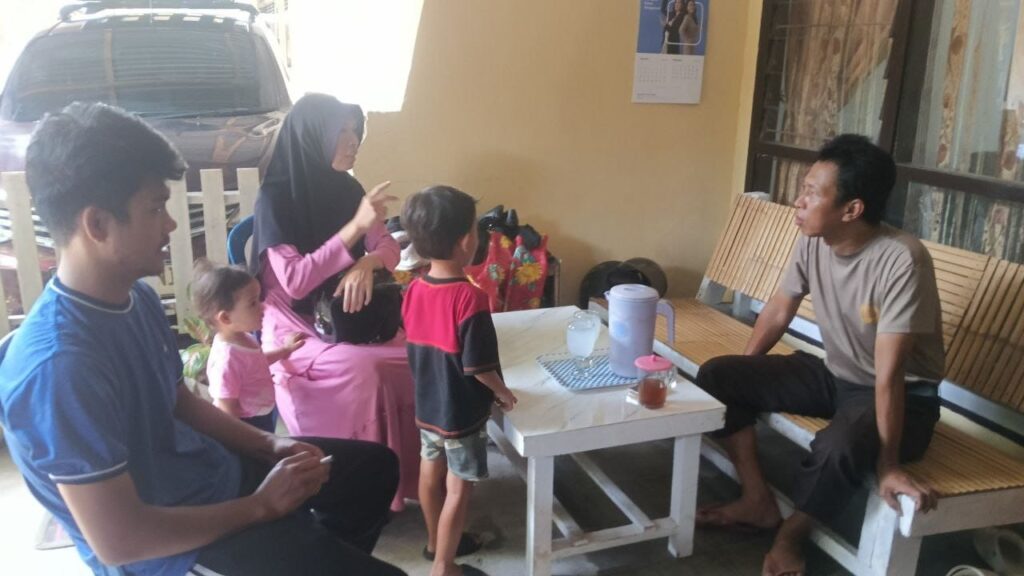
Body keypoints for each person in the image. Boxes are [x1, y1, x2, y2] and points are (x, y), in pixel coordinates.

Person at [0, 102, 405, 576]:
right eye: (155, 208)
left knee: (373, 469)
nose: (171, 224)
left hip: (210, 475)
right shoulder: (59, 367)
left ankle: (304, 549)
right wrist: (261, 508)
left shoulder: (135, 298)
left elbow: (180, 402)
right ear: (98, 225)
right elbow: (121, 541)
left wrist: (268, 445)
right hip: (171, 550)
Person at [694, 134, 944, 576]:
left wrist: (888, 465)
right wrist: (749, 371)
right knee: (719, 376)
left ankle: (791, 536)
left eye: (812, 192)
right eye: (803, 189)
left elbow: (889, 373)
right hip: (835, 375)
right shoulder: (815, 238)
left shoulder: (902, 260)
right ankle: (757, 500)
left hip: (902, 397)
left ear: (852, 209)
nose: (799, 201)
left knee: (837, 447)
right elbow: (779, 308)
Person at [249, 93, 420, 511]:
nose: (353, 140)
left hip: (351, 315)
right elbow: (294, 282)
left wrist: (366, 261)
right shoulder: (276, 198)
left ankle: (412, 481)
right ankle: (365, 488)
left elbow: (389, 247)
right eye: (340, 131)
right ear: (312, 137)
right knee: (369, 369)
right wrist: (353, 231)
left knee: (421, 356)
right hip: (296, 325)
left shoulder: (349, 189)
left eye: (354, 130)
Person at [401, 186, 519, 576]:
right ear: (467, 240)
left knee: (429, 474)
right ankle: (444, 566)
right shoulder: (471, 298)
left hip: (428, 406)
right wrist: (503, 392)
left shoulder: (414, 288)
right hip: (460, 415)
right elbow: (478, 367)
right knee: (458, 487)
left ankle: (434, 543)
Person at [191, 258, 306, 433]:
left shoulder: (242, 338)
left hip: (261, 412)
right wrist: (242, 439)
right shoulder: (226, 360)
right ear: (226, 318)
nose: (263, 307)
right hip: (248, 423)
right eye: (253, 303)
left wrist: (285, 350)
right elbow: (226, 407)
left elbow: (256, 362)